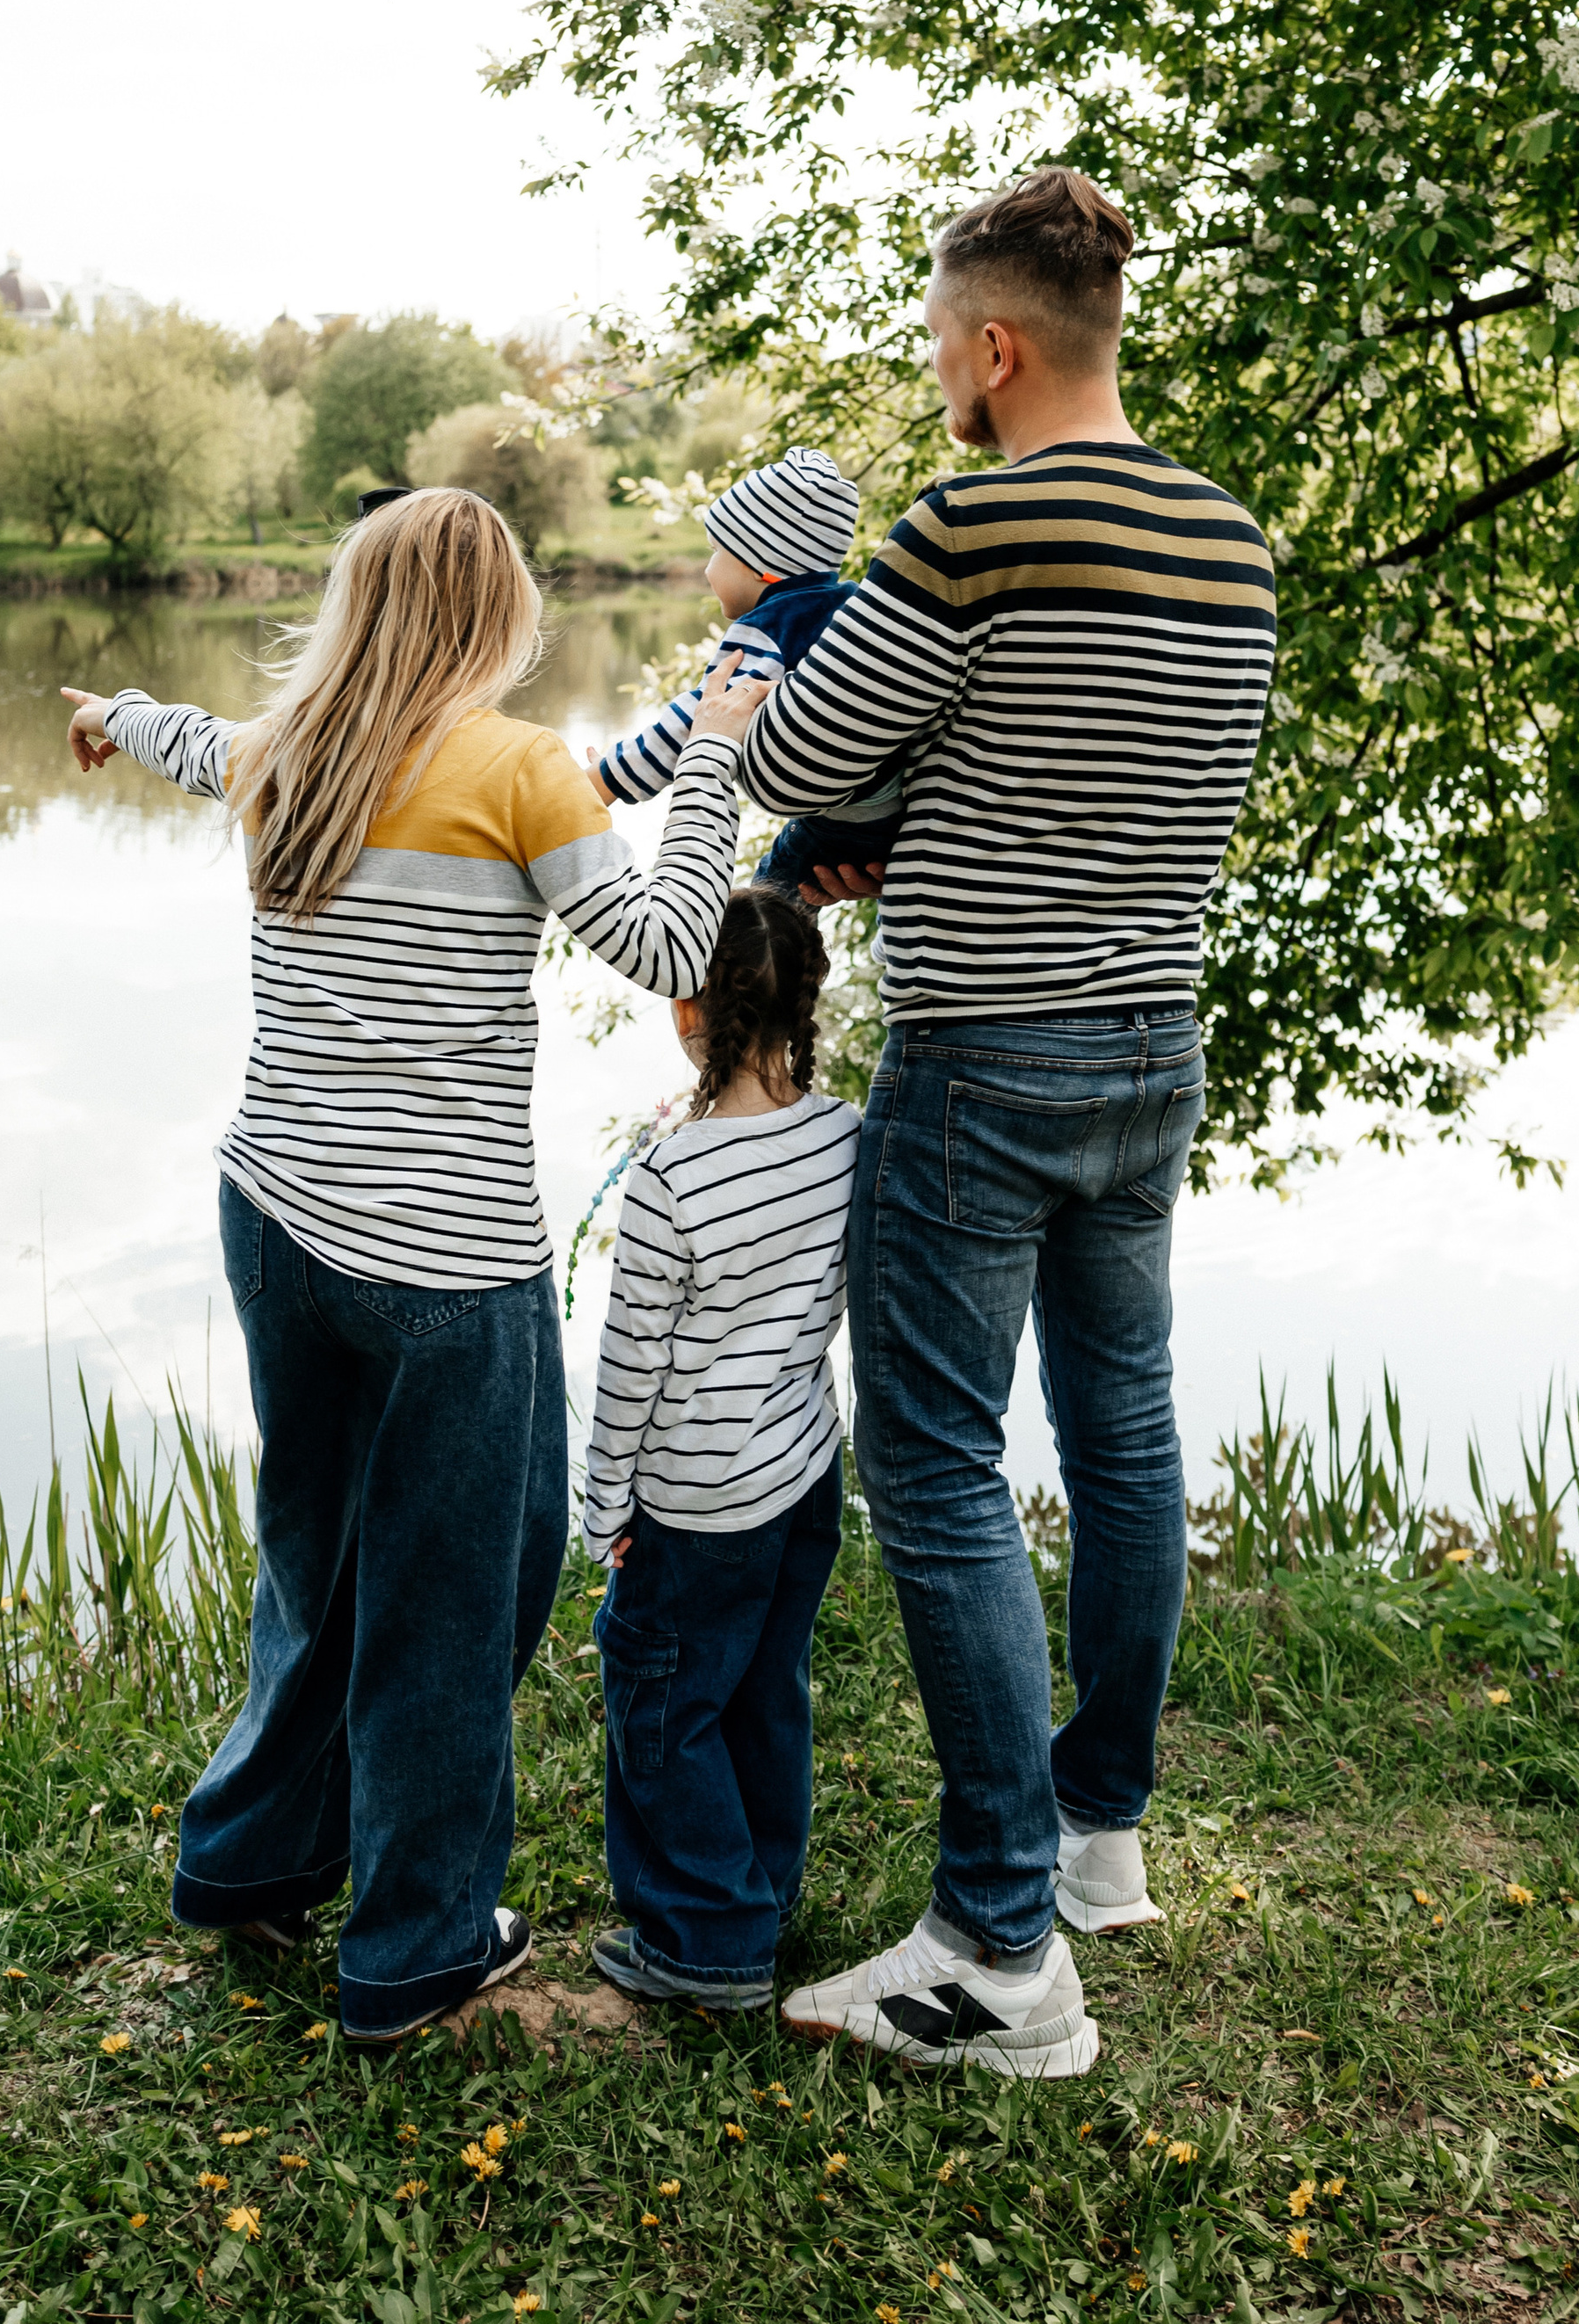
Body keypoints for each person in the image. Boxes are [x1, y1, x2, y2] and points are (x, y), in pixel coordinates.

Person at [58, 487, 766, 2043]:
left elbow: (189, 741)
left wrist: (112, 711)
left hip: (276, 1220)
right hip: (444, 1263)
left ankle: (248, 1861)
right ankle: (418, 1946)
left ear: (356, 603)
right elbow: (668, 952)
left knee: (318, 1565)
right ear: (496, 615)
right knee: (463, 1593)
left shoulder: (282, 751)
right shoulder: (519, 770)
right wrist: (710, 752)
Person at [742, 168, 1277, 2079]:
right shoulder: (1228, 538)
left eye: (934, 342)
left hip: (985, 1053)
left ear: (991, 344)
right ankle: (1093, 1838)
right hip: (1153, 1040)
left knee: (942, 1462)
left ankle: (991, 1953)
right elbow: (1097, 766)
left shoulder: (970, 519)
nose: (935, 376)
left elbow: (798, 752)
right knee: (1121, 1428)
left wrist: (798, 729)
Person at [578, 887, 859, 2015]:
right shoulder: (843, 1133)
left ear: (689, 1008)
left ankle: (710, 1942)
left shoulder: (668, 1177)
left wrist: (604, 1513)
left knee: (665, 1707)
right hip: (800, 1475)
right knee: (762, 1689)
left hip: (694, 1506)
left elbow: (629, 1374)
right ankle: (764, 1888)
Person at [588, 445, 902, 898]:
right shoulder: (851, 605)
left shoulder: (771, 627)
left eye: (717, 552)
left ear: (762, 567)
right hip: (895, 811)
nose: (706, 568)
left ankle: (761, 970)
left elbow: (698, 717)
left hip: (845, 821)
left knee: (766, 905)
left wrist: (608, 779)